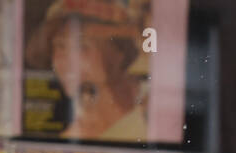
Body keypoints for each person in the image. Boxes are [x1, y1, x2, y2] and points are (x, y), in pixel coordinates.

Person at [26, 0, 150, 141]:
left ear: (120, 52)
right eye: (60, 46)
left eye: (82, 46)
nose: (67, 61)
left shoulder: (147, 123)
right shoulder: (74, 133)